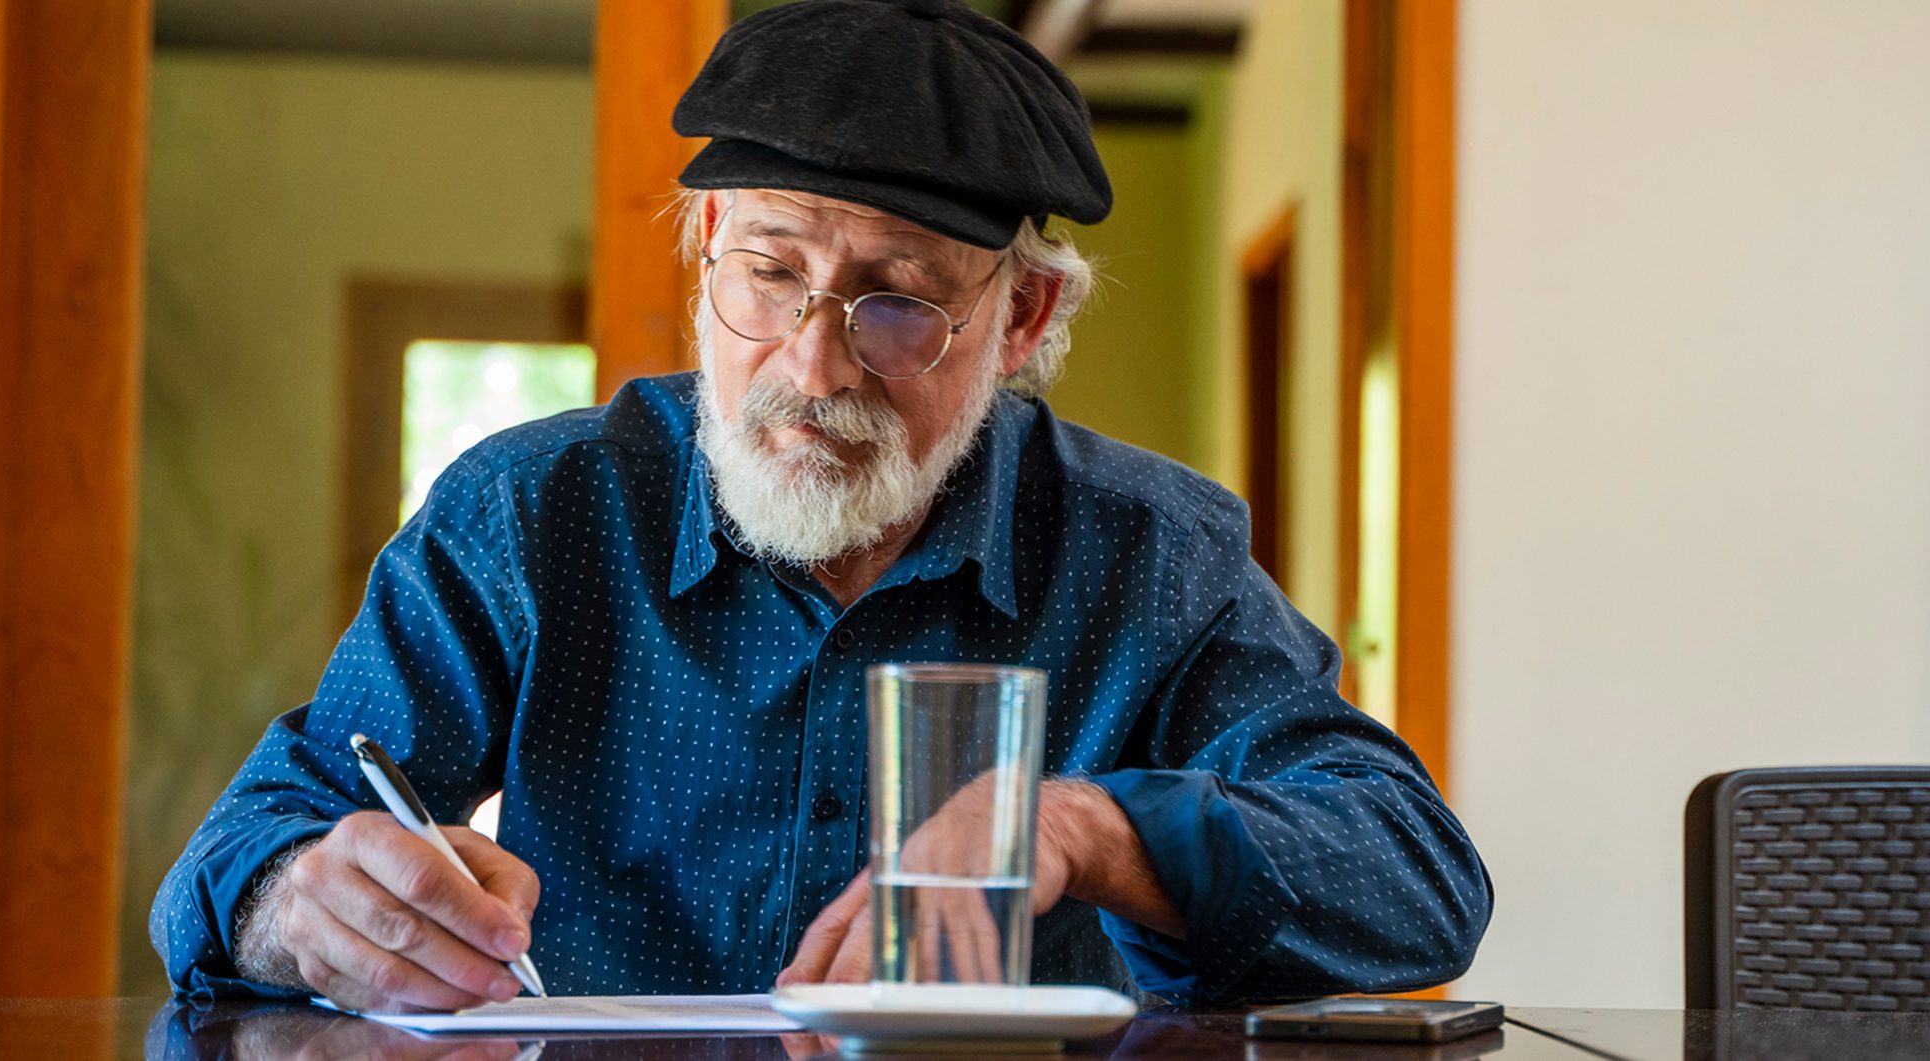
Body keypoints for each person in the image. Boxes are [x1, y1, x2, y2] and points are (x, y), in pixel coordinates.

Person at [152, 0, 1490, 1014]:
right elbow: (248, 847)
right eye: (770, 273)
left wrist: (1083, 825)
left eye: (895, 300)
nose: (812, 362)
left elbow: (1417, 877)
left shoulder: (1145, 552)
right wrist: (301, 900)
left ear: (1018, 315)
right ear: (703, 249)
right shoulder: (535, 512)